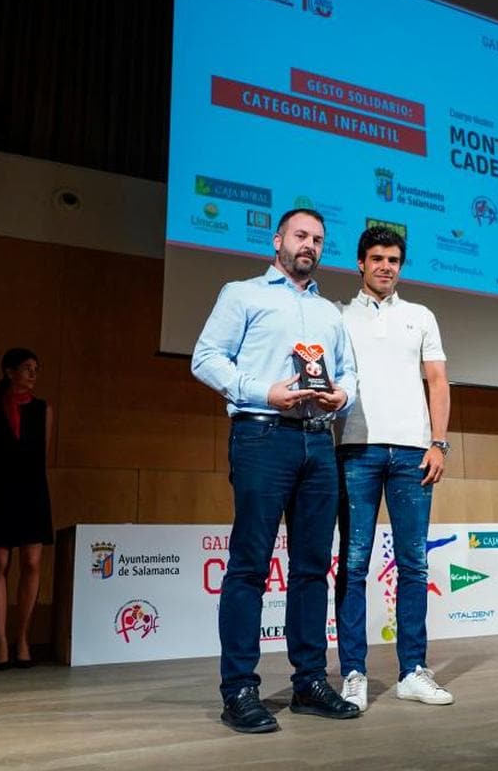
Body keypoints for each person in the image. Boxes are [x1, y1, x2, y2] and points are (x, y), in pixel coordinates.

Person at [192, 208, 362, 733]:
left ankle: (310, 681)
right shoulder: (242, 293)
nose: (309, 245)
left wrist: (341, 395)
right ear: (278, 240)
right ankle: (240, 690)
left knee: (313, 569)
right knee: (248, 566)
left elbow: (349, 371)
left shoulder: (331, 314)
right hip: (262, 435)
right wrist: (262, 391)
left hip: (317, 441)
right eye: (300, 235)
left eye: (317, 239)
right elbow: (205, 357)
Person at [335, 225, 454, 711]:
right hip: (355, 450)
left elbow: (439, 381)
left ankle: (412, 671)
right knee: (354, 563)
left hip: (412, 454)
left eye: (394, 260)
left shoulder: (420, 315)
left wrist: (439, 443)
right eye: (377, 258)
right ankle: (354, 674)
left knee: (414, 564)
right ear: (360, 263)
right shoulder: (337, 316)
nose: (386, 266)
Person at [0, 348, 53, 670]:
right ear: (9, 372)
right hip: (0, 490)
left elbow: (43, 454)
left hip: (33, 490)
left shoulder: (44, 409)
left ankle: (22, 638)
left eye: (36, 368)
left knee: (32, 562)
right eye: (27, 368)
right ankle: (0, 642)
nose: (33, 374)